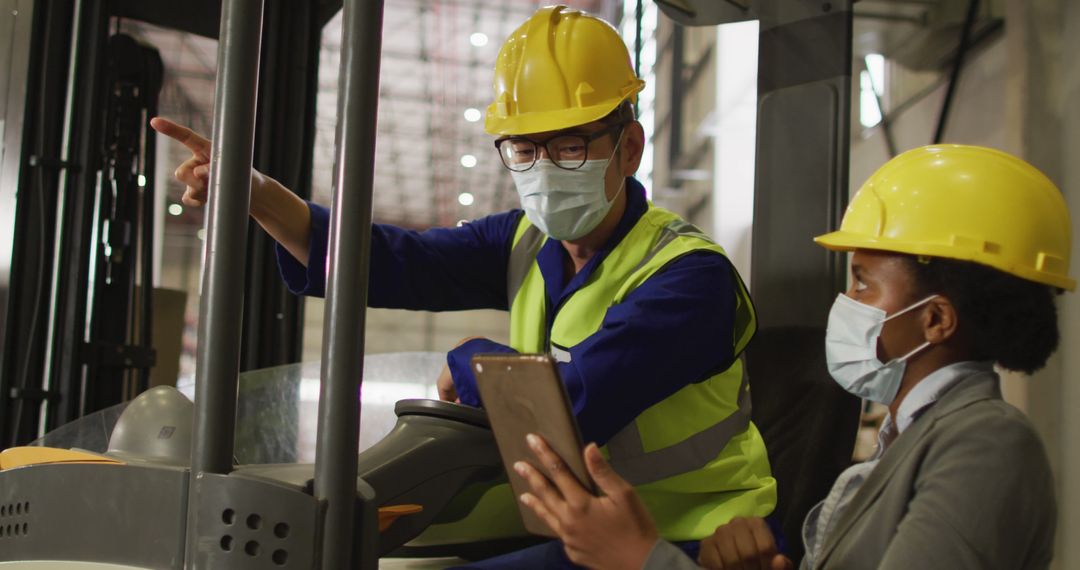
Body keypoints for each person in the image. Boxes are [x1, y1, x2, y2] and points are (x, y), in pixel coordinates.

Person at [152, 5, 775, 567]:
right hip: (568, 514)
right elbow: (398, 259)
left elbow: (575, 406)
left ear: (629, 147)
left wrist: (473, 360)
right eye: (524, 149)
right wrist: (260, 195)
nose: (544, 169)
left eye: (569, 145)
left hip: (683, 534)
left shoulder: (690, 277)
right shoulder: (527, 241)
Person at [516, 144, 1071, 569]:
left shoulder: (986, 443)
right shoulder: (911, 438)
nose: (847, 305)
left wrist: (641, 555)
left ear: (936, 319)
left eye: (863, 284)